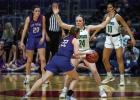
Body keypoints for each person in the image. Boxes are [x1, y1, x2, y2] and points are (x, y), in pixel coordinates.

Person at [52, 5, 113, 98]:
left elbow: (102, 25)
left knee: (94, 71)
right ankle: (64, 91)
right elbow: (61, 24)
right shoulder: (72, 28)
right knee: (69, 72)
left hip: (86, 52)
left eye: (80, 21)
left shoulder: (88, 28)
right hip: (76, 53)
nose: (78, 22)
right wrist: (56, 14)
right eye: (77, 21)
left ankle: (101, 90)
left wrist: (109, 17)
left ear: (83, 21)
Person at [21, 26, 87, 100]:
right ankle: (68, 96)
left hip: (55, 60)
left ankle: (27, 94)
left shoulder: (65, 39)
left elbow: (69, 54)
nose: (79, 34)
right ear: (76, 33)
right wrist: (86, 53)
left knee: (43, 79)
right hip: (64, 61)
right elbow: (77, 53)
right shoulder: (75, 40)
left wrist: (81, 57)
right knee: (76, 78)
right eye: (79, 33)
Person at [90, 2, 136, 86]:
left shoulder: (117, 17)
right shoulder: (105, 16)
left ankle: (122, 79)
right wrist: (93, 34)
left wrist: (132, 38)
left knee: (119, 59)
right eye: (108, 7)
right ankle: (109, 75)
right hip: (108, 38)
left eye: (110, 7)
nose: (108, 9)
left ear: (114, 8)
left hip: (117, 38)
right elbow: (101, 26)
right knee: (104, 59)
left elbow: (126, 26)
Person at [20, 5, 49, 84]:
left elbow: (43, 28)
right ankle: (27, 77)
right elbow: (25, 30)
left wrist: (43, 37)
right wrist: (22, 41)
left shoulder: (42, 17)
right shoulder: (28, 19)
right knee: (29, 60)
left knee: (43, 59)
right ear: (33, 11)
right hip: (31, 39)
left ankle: (44, 77)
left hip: (39, 38)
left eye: (39, 11)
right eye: (36, 11)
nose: (38, 12)